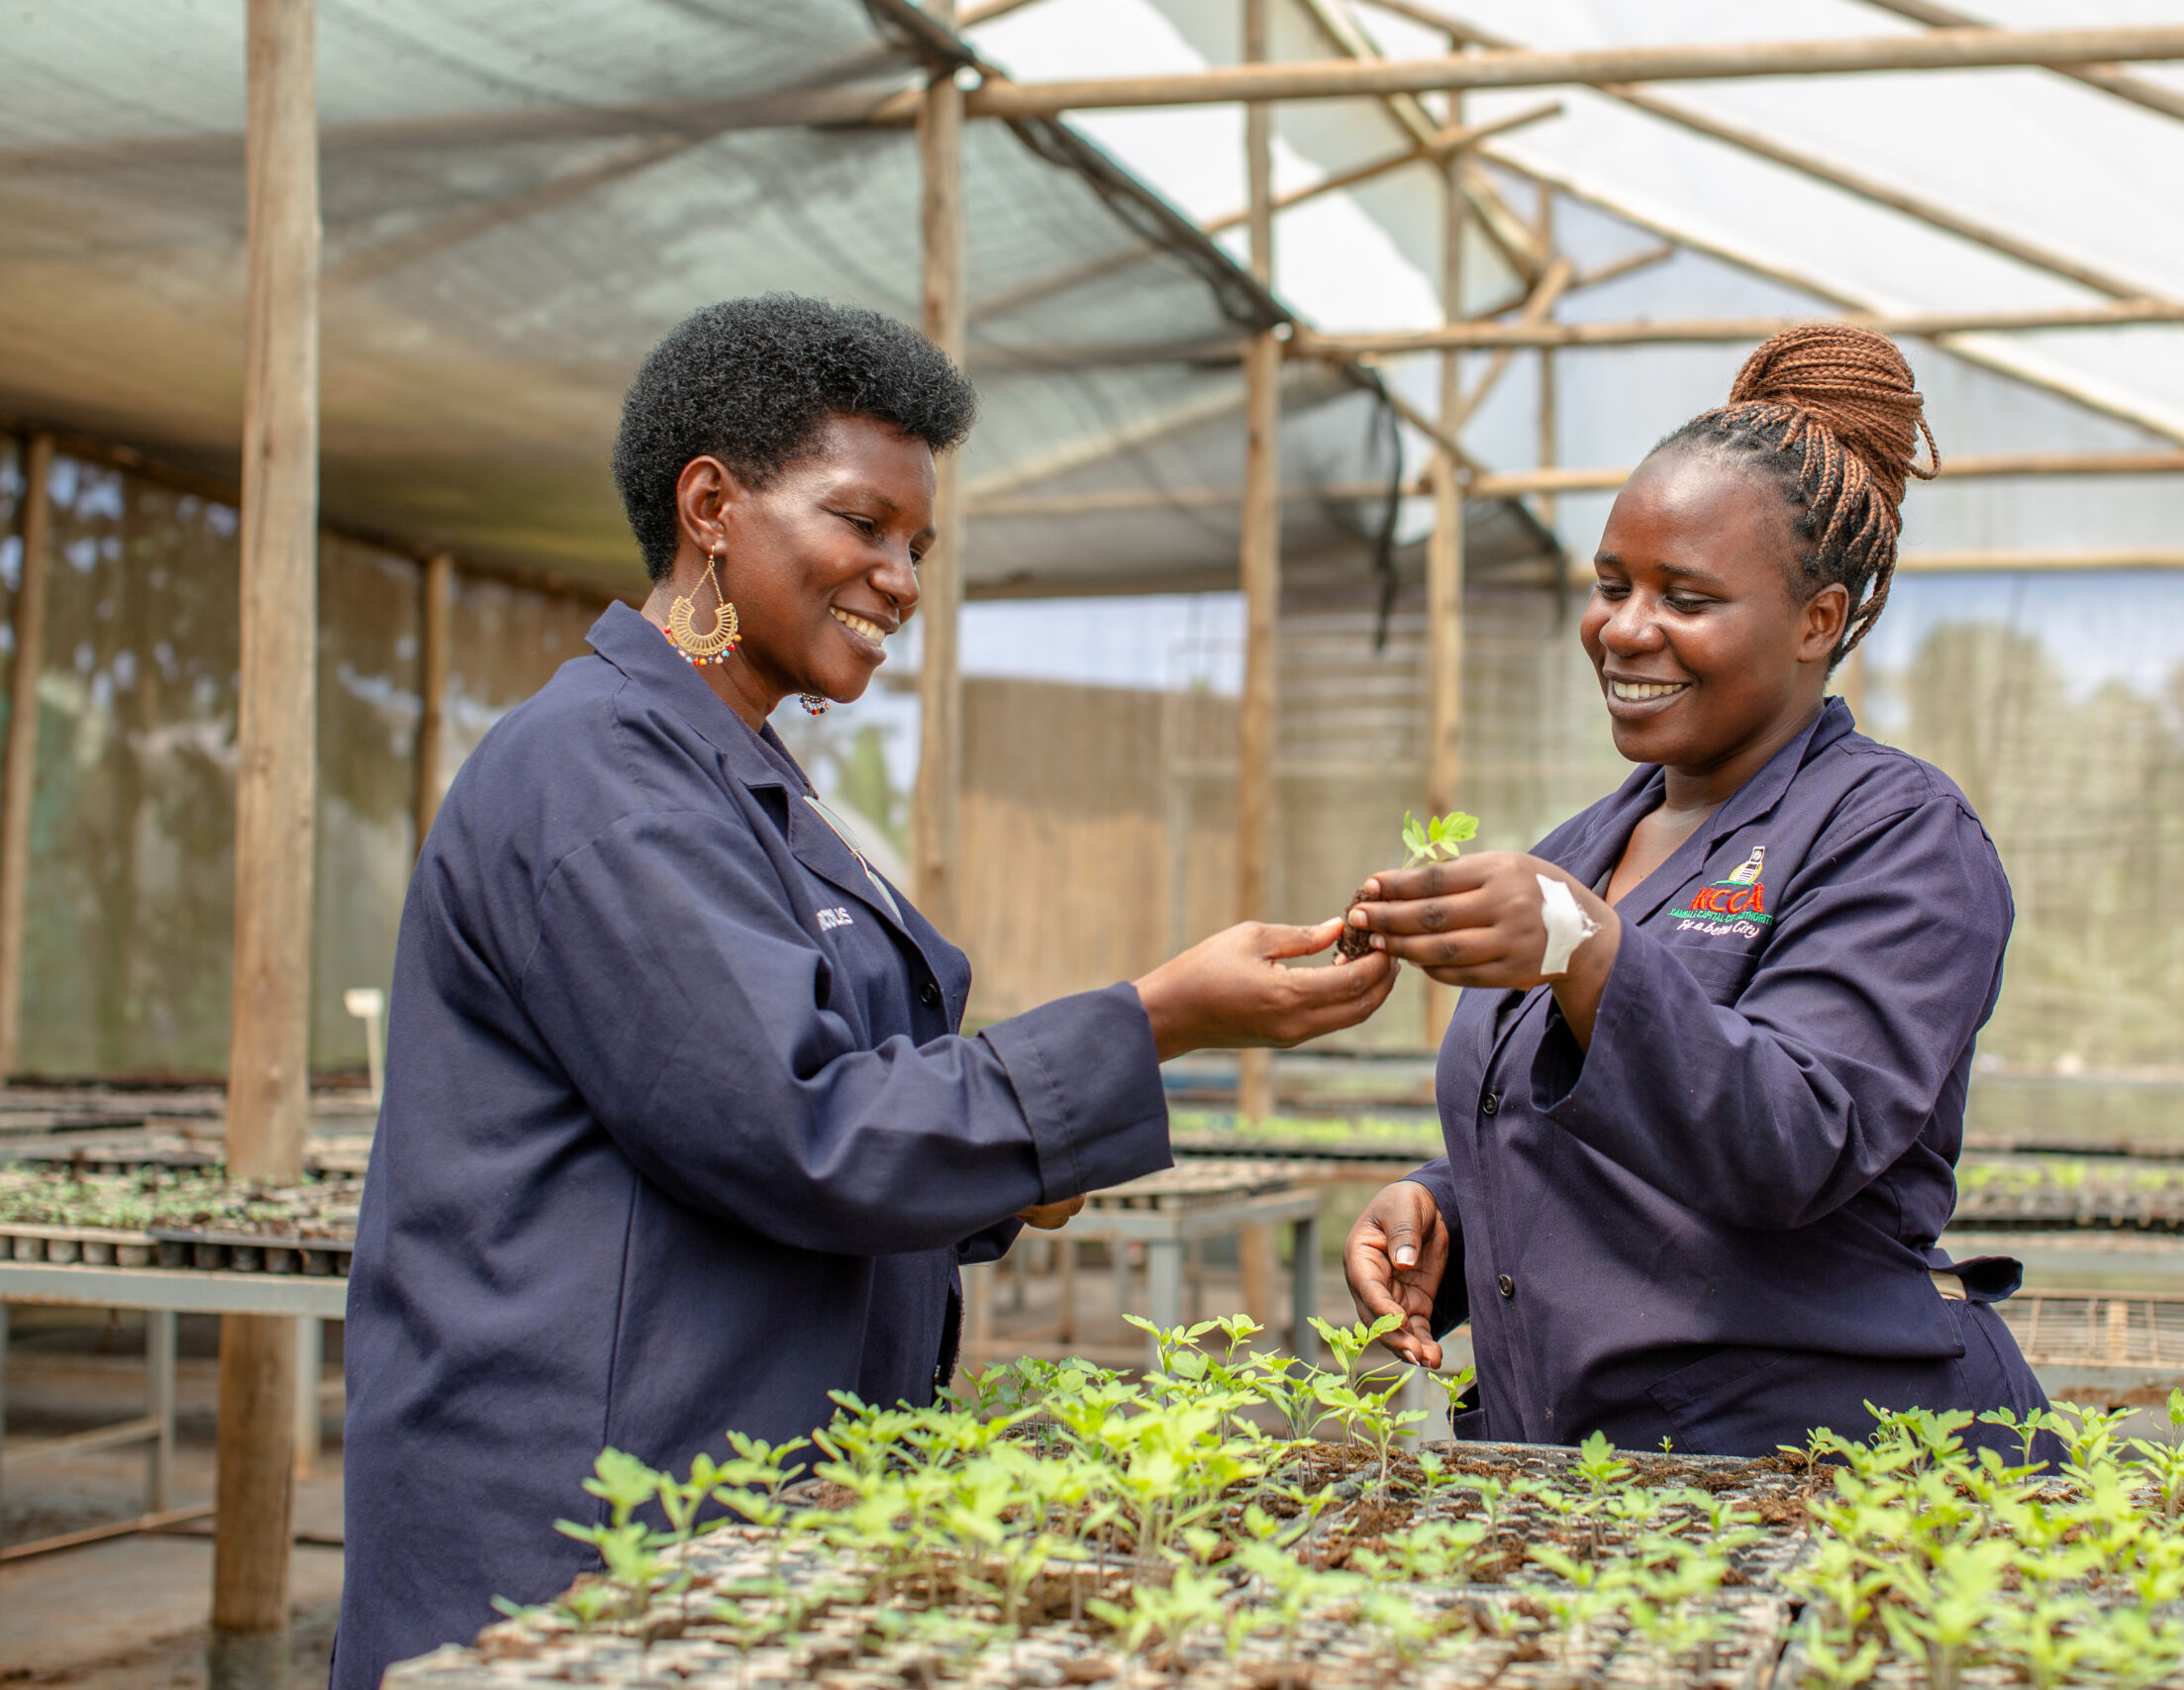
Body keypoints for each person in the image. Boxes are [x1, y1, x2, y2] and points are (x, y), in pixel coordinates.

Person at [333, 296, 1395, 1688]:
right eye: (862, 524)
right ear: (710, 506)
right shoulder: (600, 776)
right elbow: (796, 1124)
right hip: (581, 1510)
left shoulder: (732, 772)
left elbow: (816, 1076)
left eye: (918, 547)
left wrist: (1013, 1175)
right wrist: (1157, 1020)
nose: (899, 579)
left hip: (727, 1480)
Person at [1340, 324, 2045, 1457]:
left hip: (1821, 1469)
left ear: (1818, 620)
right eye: (1611, 585)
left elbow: (1799, 1139)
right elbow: (1583, 1134)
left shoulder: (1897, 834)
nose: (1624, 629)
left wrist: (1587, 952)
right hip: (1595, 1471)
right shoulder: (1589, 842)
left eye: (1687, 597)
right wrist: (1446, 1214)